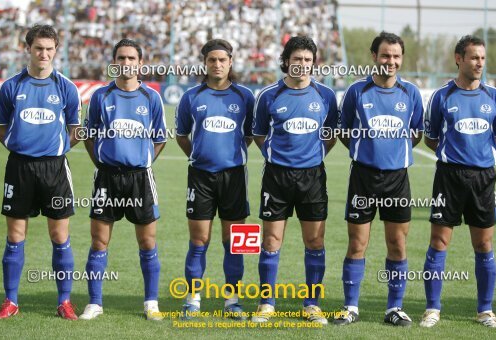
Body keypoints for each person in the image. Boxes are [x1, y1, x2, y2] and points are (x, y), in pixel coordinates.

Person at [333, 32, 423, 327]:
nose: (391, 61)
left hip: (398, 179)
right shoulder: (357, 92)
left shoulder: (411, 94)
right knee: (357, 243)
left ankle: (394, 308)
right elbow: (344, 130)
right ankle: (350, 307)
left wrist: (394, 153)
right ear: (374, 56)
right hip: (363, 177)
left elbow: (417, 132)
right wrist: (367, 151)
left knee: (397, 244)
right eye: (385, 55)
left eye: (396, 56)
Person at [0, 24, 81, 320]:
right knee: (15, 236)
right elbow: (1, 129)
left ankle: (64, 301)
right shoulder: (11, 86)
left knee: (60, 235)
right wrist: (23, 147)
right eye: (38, 48)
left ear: (56, 50)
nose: (44, 53)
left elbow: (75, 130)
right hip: (19, 167)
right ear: (27, 48)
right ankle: (11, 301)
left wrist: (52, 150)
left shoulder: (66, 87)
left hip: (55, 169)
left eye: (49, 49)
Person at [250, 36, 338, 325]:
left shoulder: (325, 95)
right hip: (276, 177)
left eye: (308, 60)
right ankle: (267, 303)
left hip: (312, 177)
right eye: (297, 59)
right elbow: (259, 134)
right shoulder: (268, 95)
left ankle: (311, 304)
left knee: (315, 241)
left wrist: (311, 157)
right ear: (286, 61)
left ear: (314, 64)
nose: (302, 65)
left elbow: (330, 135)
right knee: (271, 240)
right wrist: (277, 156)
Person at [79, 39, 167, 321]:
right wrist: (104, 164)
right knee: (98, 241)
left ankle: (151, 302)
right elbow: (89, 137)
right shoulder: (101, 97)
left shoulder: (152, 98)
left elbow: (160, 139)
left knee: (147, 242)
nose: (126, 62)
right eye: (121, 57)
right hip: (107, 179)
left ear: (140, 63)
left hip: (141, 179)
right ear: (114, 61)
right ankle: (94, 302)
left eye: (131, 58)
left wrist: (143, 162)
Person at [420, 35, 496, 328]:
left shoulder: (495, 97)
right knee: (439, 242)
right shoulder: (442, 96)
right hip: (449, 177)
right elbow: (430, 138)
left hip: (483, 178)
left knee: (484, 244)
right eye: (474, 57)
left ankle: (484, 311)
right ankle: (432, 309)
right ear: (459, 59)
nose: (479, 63)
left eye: (482, 58)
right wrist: (453, 154)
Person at [175, 39, 254, 320]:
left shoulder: (245, 97)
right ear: (204, 63)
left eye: (222, 60)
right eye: (212, 60)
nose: (217, 64)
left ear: (231, 62)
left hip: (234, 177)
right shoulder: (191, 97)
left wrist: (231, 155)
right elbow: (181, 135)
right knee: (199, 239)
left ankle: (232, 300)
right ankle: (193, 298)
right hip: (200, 177)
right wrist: (199, 155)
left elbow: (249, 136)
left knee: (235, 241)